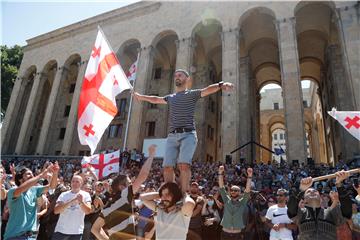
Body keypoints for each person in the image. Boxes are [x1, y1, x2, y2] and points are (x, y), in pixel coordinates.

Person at [133, 69, 234, 192]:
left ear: (187, 79)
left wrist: (220, 85)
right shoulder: (170, 97)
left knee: (183, 165)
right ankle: (170, 193)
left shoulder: (192, 94)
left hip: (188, 134)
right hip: (172, 136)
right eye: (175, 75)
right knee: (167, 167)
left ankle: (184, 194)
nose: (177, 77)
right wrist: (140, 97)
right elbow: (155, 99)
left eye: (180, 75)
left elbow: (207, 90)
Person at [91, 145, 157, 240]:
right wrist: (151, 155)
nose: (132, 186)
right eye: (129, 184)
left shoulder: (108, 206)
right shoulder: (124, 196)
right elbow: (143, 176)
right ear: (122, 187)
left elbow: (95, 229)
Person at [287, 170, 353, 240]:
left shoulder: (330, 212)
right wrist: (301, 189)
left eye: (315, 191)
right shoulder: (302, 213)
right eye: (308, 192)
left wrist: (339, 184)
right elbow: (291, 209)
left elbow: (347, 211)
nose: (312, 191)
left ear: (321, 199)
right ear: (304, 200)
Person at [4, 162, 59, 240]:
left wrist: (55, 173)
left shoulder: (35, 190)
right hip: (15, 236)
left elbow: (52, 187)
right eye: (28, 174)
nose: (32, 176)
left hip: (31, 236)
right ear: (20, 179)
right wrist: (40, 175)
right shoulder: (13, 191)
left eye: (32, 174)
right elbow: (21, 189)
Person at [52, 174, 92, 240]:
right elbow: (56, 211)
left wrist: (81, 202)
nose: (74, 183)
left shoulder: (86, 195)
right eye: (73, 181)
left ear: (81, 183)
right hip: (61, 230)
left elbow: (88, 211)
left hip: (76, 232)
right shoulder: (63, 195)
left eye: (77, 181)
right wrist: (71, 202)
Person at [218, 165, 252, 240]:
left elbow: (247, 191)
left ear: (239, 193)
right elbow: (221, 187)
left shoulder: (242, 202)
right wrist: (220, 173)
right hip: (225, 233)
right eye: (232, 190)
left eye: (236, 190)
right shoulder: (226, 200)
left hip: (237, 235)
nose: (233, 191)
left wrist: (249, 177)